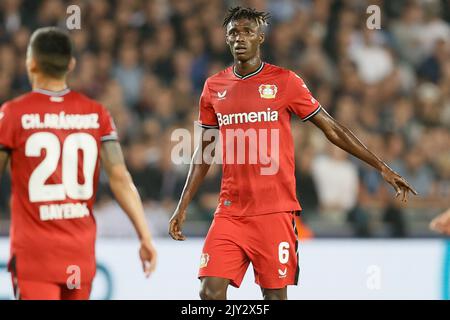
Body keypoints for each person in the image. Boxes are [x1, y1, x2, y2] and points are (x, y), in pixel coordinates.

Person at [168, 7, 417, 300]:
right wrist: (182, 205)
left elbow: (332, 129)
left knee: (274, 298)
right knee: (209, 293)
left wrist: (381, 166)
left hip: (274, 212)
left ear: (260, 37)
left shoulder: (285, 82)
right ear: (226, 39)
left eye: (247, 31)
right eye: (233, 33)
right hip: (230, 211)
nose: (240, 38)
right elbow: (204, 151)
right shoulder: (214, 87)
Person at [0, 27, 157, 300]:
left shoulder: (13, 114)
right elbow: (120, 177)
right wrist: (144, 235)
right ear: (71, 64)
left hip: (35, 255)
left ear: (31, 63)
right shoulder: (96, 114)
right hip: (79, 254)